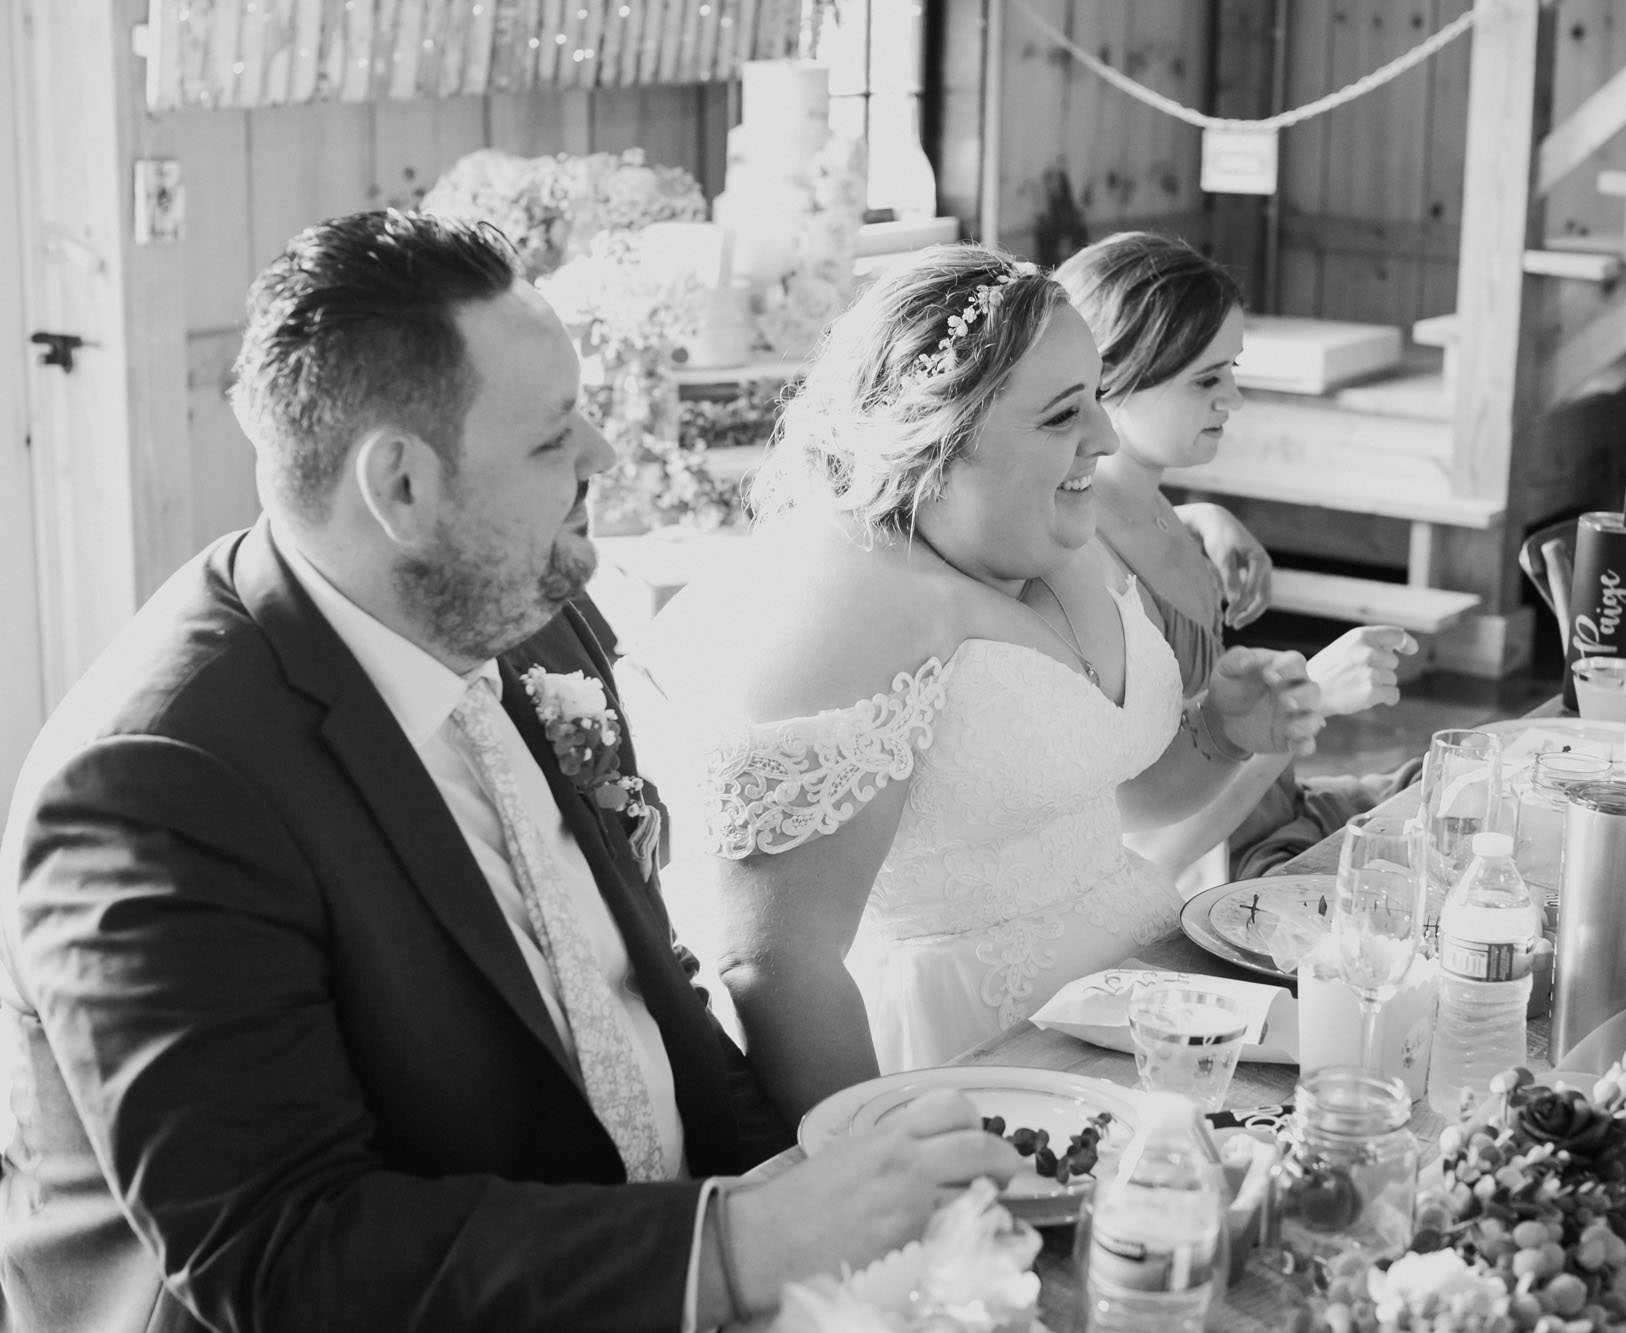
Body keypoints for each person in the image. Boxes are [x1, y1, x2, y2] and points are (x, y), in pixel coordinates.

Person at [0, 209, 1020, 1333]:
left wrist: (805, 1181)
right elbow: (286, 1257)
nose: (604, 456)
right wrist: (738, 1244)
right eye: (551, 439)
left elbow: (640, 987)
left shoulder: (521, 607)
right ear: (400, 486)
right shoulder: (156, 785)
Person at [618, 244, 1324, 1109]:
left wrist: (1219, 731)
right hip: (970, 1053)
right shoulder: (851, 606)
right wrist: (878, 1148)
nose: (1104, 437)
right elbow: (774, 960)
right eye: (1062, 415)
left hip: (1140, 1009)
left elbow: (1115, 802)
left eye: (1096, 397)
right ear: (940, 441)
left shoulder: (1061, 534)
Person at [1054, 231, 1421, 881]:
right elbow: (1153, 847)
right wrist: (1309, 700)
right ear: (1109, 380)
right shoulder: (1094, 575)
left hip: (1283, 811)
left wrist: (1202, 518)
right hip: (1227, 868)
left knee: (1461, 782)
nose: (1233, 398)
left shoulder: (1156, 510)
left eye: (1232, 370)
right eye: (1206, 379)